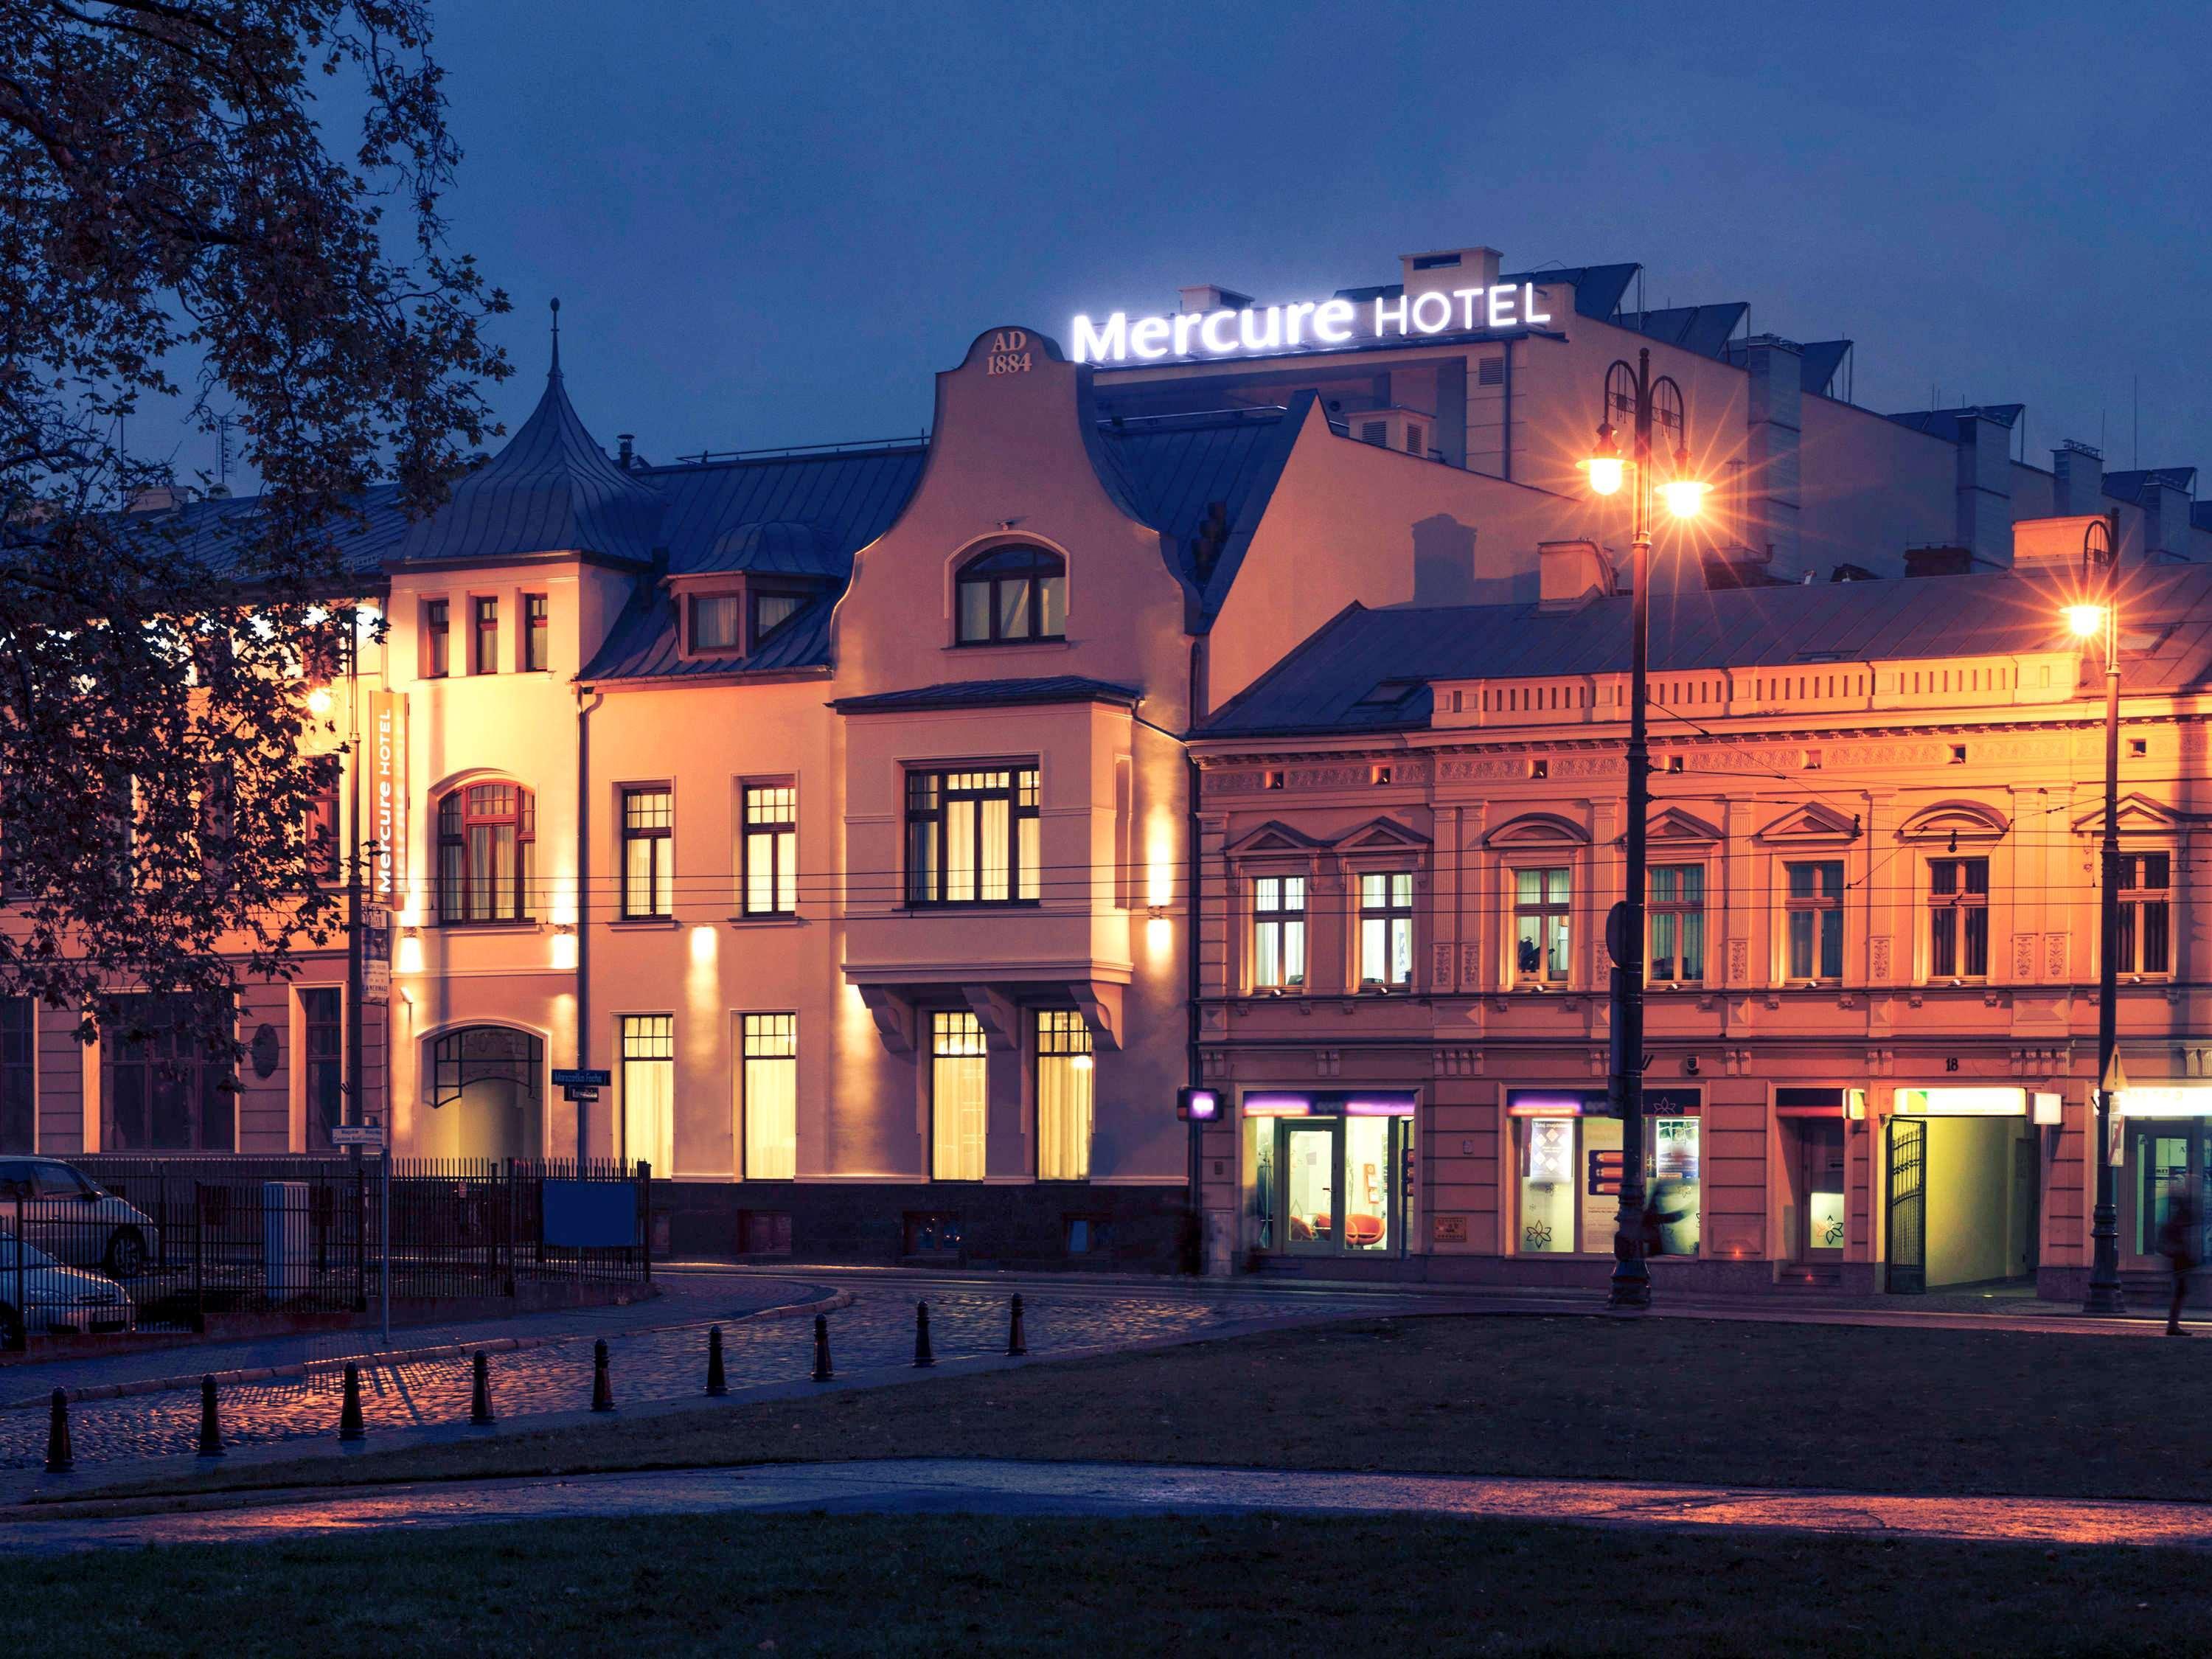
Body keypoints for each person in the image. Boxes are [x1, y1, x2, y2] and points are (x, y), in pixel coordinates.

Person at [2157, 1175, 2199, 1336]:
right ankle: (2172, 1325)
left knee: (2181, 1290)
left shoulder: (2176, 1213)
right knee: (2180, 1290)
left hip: (2180, 1257)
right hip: (2179, 1258)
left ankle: (2173, 1325)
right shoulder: (2178, 1215)